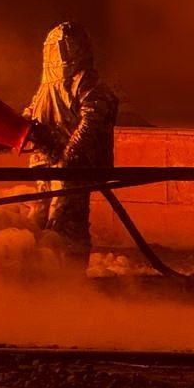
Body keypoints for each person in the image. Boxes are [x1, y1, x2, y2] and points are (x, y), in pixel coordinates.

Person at [23, 21, 118, 265]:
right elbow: (33, 114)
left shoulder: (86, 83)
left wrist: (70, 154)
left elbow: (93, 118)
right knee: (40, 220)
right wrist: (12, 135)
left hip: (72, 168)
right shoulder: (48, 85)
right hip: (47, 164)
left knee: (67, 221)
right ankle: (43, 274)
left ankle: (70, 279)